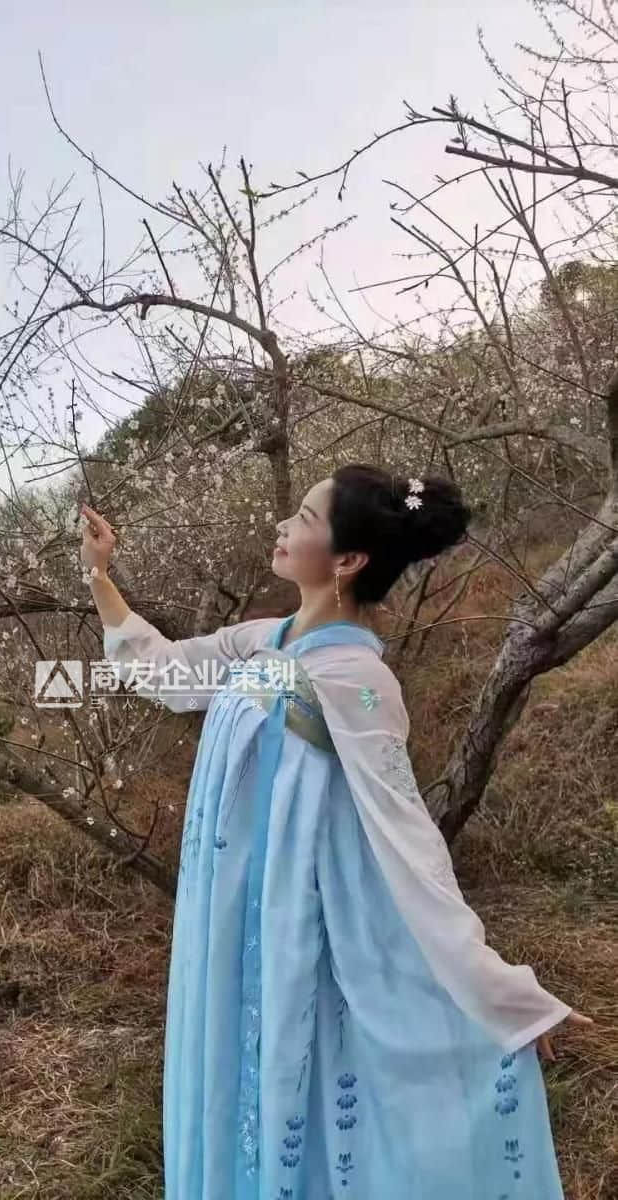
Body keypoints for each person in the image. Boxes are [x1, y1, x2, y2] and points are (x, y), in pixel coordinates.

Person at [78, 464, 592, 1200]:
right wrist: (100, 575)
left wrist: (501, 993)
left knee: (306, 1095)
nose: (283, 527)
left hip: (298, 927)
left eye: (305, 519)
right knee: (243, 1083)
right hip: (229, 922)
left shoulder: (358, 682)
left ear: (347, 559)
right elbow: (164, 673)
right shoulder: (264, 640)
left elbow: (408, 842)